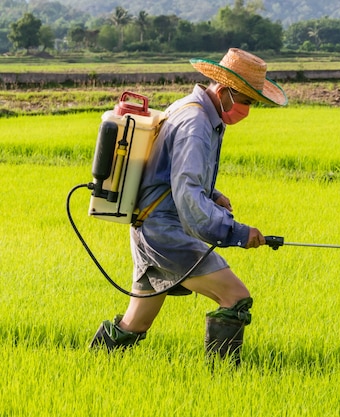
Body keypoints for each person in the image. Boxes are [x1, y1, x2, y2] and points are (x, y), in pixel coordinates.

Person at [89, 48, 288, 365]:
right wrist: (235, 232)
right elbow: (186, 194)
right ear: (223, 91)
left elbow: (170, 170)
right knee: (236, 298)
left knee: (135, 322)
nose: (248, 110)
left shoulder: (189, 107)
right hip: (165, 233)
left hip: (148, 225)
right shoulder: (196, 122)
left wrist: (212, 193)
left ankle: (92, 366)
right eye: (247, 101)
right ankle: (222, 381)